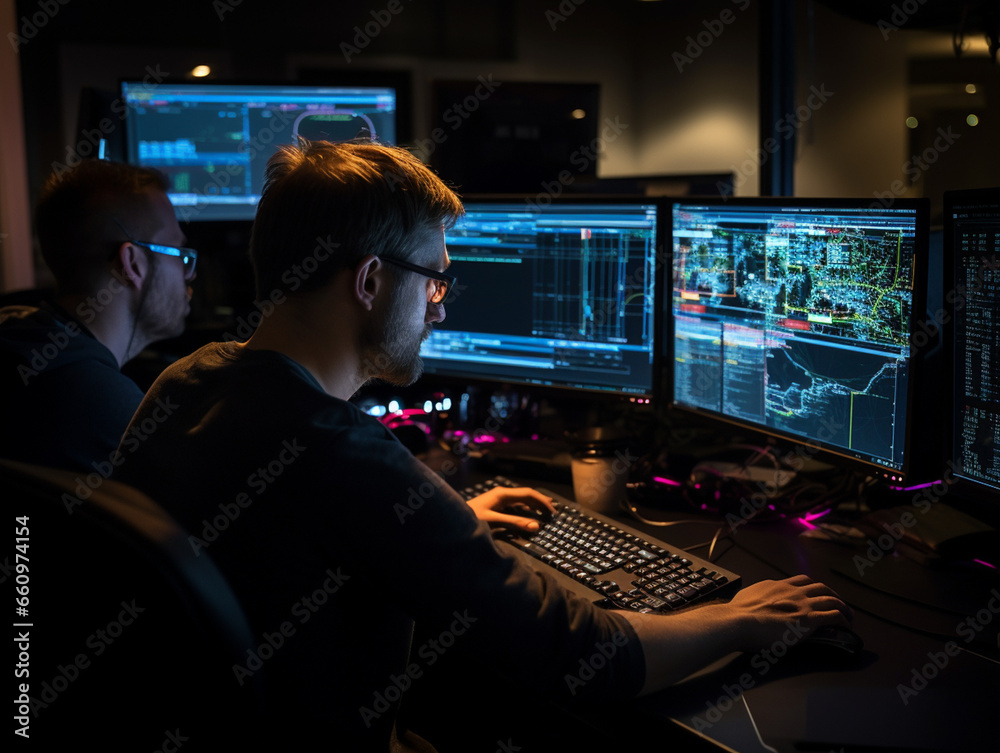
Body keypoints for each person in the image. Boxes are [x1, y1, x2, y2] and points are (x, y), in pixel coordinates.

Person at [111, 140, 852, 752]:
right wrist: (743, 616)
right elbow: (581, 652)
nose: (440, 302)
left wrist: (442, 514)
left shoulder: (186, 380)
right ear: (370, 280)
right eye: (435, 278)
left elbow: (304, 534)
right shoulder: (341, 456)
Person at [0, 158, 194, 473]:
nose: (189, 274)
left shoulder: (21, 337)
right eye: (178, 253)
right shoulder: (109, 411)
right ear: (132, 263)